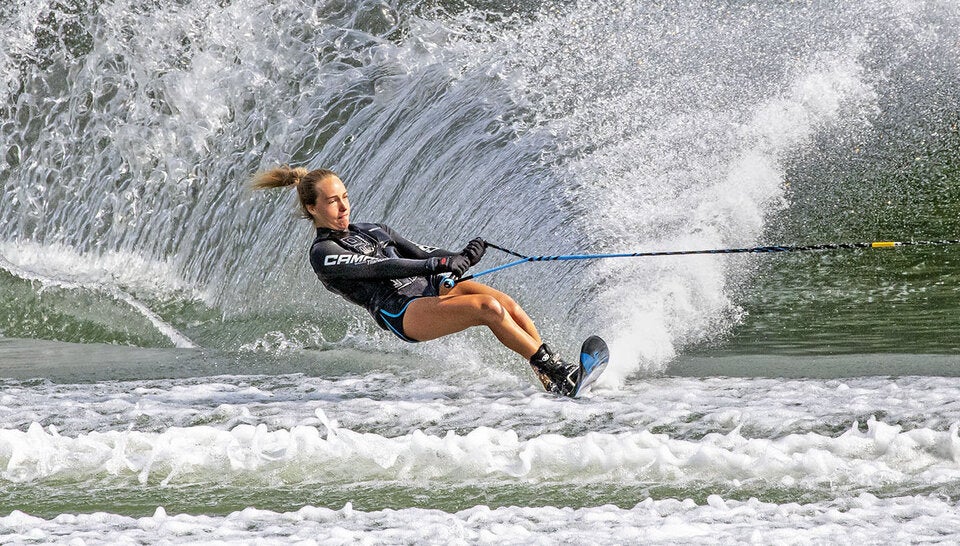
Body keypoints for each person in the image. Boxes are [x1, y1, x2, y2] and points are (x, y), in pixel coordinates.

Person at [252, 166, 580, 395]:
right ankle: (557, 371)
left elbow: (422, 251)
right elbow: (384, 267)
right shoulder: (324, 252)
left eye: (345, 197)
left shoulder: (372, 229)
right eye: (332, 201)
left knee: (507, 304)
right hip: (401, 311)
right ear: (312, 207)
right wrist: (437, 264)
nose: (343, 207)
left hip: (428, 288)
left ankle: (550, 378)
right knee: (489, 308)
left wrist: (462, 256)